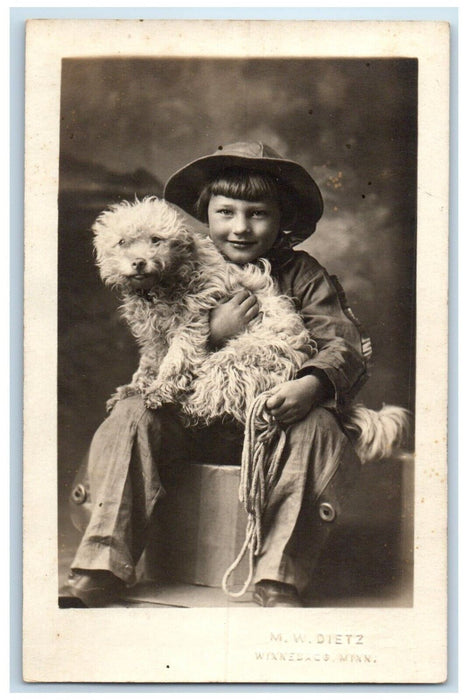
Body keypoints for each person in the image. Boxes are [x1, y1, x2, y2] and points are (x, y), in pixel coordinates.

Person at [68, 141, 369, 608]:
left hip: (270, 423)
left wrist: (309, 385)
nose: (241, 227)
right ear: (205, 214)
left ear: (282, 218)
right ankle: (103, 564)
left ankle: (279, 575)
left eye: (258, 214)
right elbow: (163, 342)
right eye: (226, 212)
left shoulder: (304, 274)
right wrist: (214, 332)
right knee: (131, 412)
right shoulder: (177, 261)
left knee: (318, 426)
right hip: (190, 418)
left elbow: (342, 345)